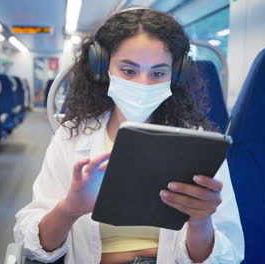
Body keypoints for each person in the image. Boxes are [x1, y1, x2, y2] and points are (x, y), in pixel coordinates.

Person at [14, 7, 244, 264]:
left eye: (158, 73)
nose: (143, 84)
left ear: (174, 76)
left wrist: (200, 221)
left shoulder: (198, 145)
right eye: (129, 71)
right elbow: (35, 248)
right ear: (103, 68)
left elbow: (227, 257)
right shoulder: (71, 137)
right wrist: (69, 208)